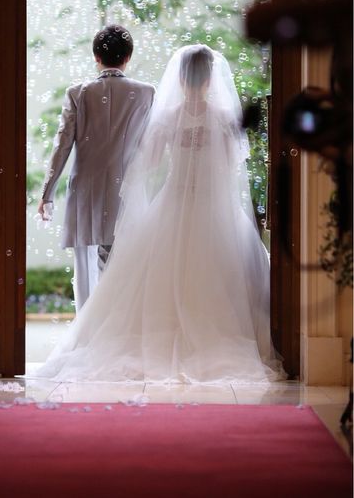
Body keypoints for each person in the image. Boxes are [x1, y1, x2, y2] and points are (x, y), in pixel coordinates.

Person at [33, 45, 286, 383]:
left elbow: (149, 163)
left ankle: (153, 340)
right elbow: (230, 165)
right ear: (210, 78)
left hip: (173, 201)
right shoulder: (224, 118)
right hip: (214, 207)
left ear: (180, 78)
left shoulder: (168, 117)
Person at [38, 25, 155, 312]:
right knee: (123, 268)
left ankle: (86, 327)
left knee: (84, 268)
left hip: (85, 191)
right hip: (126, 190)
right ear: (128, 57)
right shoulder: (146, 92)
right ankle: (116, 326)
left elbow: (62, 146)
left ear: (96, 57)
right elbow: (151, 146)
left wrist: (47, 194)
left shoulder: (78, 94)